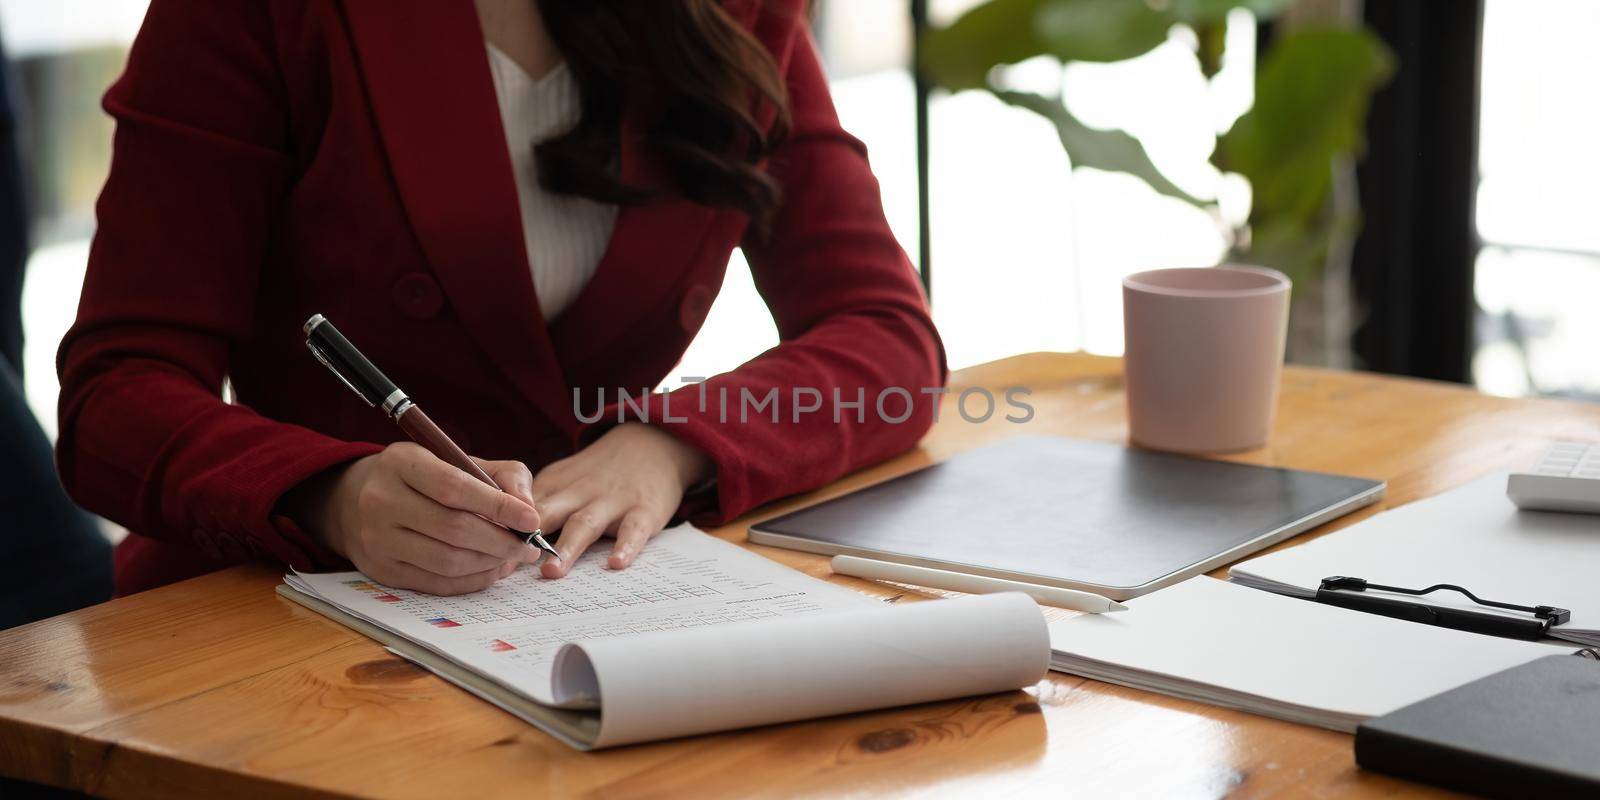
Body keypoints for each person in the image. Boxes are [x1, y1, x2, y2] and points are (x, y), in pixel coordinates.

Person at [56, 0, 944, 597]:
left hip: (576, 599)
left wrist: (668, 446)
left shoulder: (733, 12)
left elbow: (888, 337)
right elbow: (114, 395)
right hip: (268, 608)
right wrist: (334, 495)